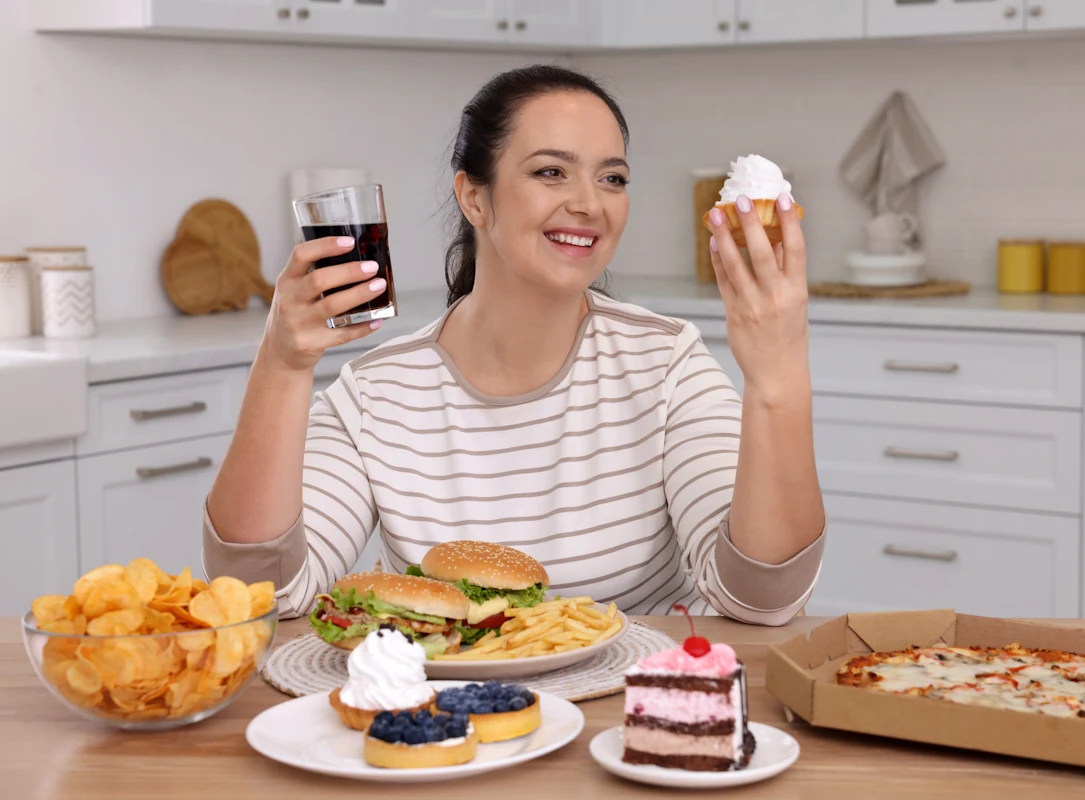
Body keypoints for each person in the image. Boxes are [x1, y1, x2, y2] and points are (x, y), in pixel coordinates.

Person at [203, 65, 825, 626]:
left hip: (634, 723)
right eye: (551, 171)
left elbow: (760, 598)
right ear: (475, 196)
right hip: (450, 728)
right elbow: (263, 594)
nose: (588, 204)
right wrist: (282, 364)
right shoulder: (379, 390)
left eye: (612, 178)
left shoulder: (664, 363)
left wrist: (778, 381)